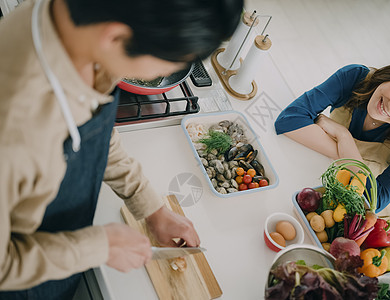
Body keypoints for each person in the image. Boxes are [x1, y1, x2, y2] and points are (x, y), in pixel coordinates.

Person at [0, 0, 243, 298]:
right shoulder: (14, 129)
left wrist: (150, 206)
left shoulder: (81, 29)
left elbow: (94, 130)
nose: (168, 71)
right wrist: (98, 246)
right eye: (171, 62)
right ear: (115, 37)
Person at [275, 58, 390, 215]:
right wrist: (349, 157)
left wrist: (344, 137)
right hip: (310, 171)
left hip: (354, 213)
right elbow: (288, 120)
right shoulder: (356, 77)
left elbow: (373, 200)